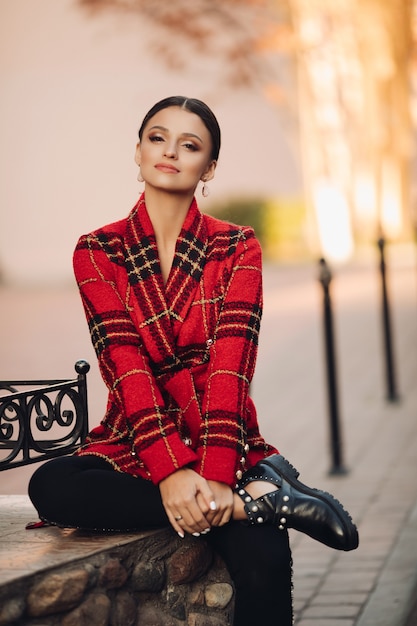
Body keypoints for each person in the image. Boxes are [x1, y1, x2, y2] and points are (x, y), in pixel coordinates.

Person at [29, 95, 358, 626]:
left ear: (209, 167)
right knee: (51, 487)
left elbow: (232, 368)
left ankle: (241, 496)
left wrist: (213, 473)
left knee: (265, 560)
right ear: (137, 151)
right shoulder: (97, 250)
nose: (169, 152)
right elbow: (124, 364)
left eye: (190, 144)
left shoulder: (237, 246)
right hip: (138, 435)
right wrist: (169, 472)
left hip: (219, 434)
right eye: (157, 138)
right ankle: (258, 502)